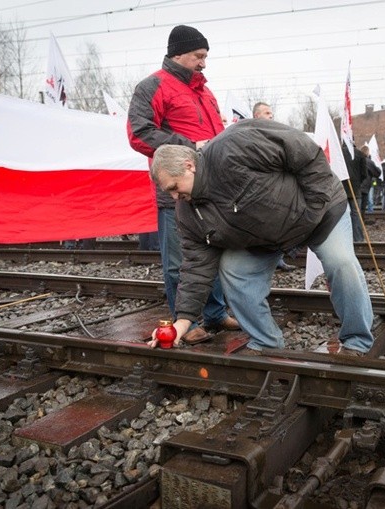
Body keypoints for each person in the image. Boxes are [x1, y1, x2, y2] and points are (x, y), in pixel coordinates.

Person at [149, 119, 375, 355]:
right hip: (267, 238)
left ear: (189, 166)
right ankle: (267, 344)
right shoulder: (188, 213)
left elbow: (303, 151)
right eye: (169, 192)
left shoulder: (235, 145)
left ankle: (356, 341)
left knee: (341, 262)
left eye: (174, 187)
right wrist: (182, 323)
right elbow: (196, 267)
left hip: (320, 213)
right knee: (234, 269)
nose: (174, 197)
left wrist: (313, 207)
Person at [128, 24, 239, 342]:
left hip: (210, 189)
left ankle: (214, 315)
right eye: (198, 56)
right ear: (178, 54)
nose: (204, 62)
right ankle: (184, 323)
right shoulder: (151, 86)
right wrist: (192, 146)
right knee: (179, 262)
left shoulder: (205, 91)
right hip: (177, 191)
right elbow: (139, 133)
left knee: (212, 254)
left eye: (205, 56)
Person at [252, 101, 296, 270]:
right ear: (257, 116)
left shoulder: (275, 133)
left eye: (271, 113)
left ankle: (277, 260)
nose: (271, 116)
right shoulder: (251, 134)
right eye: (267, 113)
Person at [342, 142, 367, 241]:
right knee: (356, 214)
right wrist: (357, 182)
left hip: (341, 189)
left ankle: (345, 239)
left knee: (342, 214)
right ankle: (358, 238)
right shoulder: (360, 154)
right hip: (355, 189)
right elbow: (364, 173)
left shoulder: (339, 153)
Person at [360, 145, 381, 214]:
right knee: (362, 207)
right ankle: (360, 222)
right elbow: (377, 173)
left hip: (356, 186)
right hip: (365, 187)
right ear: (367, 152)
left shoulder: (356, 159)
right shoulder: (369, 162)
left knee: (356, 208)